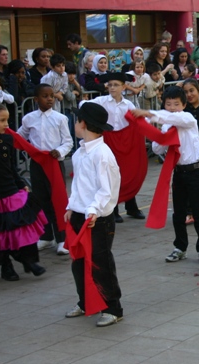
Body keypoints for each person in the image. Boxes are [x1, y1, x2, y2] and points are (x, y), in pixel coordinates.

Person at [0, 103, 47, 281]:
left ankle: (29, 260)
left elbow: (11, 166)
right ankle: (6, 265)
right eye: (2, 120)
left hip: (10, 189)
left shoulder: (7, 140)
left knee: (20, 225)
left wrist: (20, 182)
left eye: (7, 120)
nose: (6, 124)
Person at [133, 86, 199, 263]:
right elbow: (157, 147)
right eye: (169, 104)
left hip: (195, 171)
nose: (173, 107)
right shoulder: (167, 124)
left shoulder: (188, 118)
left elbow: (175, 118)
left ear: (183, 105)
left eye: (176, 104)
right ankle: (180, 247)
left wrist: (148, 113)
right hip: (179, 172)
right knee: (178, 212)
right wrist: (163, 136)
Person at [64, 101, 123, 327]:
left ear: (84, 123)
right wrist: (72, 206)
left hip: (98, 218)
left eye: (77, 120)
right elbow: (79, 185)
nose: (75, 123)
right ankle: (85, 301)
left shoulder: (102, 154)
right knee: (78, 261)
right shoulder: (80, 153)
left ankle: (113, 307)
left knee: (101, 261)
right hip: (81, 214)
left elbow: (106, 189)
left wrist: (93, 211)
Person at [18, 84, 73, 255]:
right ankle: (46, 236)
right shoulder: (29, 119)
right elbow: (21, 136)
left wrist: (60, 151)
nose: (49, 99)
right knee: (40, 200)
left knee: (57, 200)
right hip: (37, 164)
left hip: (54, 163)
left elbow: (68, 142)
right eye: (45, 96)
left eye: (51, 96)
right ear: (36, 99)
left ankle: (63, 238)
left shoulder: (60, 118)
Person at [84, 72, 144, 222]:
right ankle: (113, 209)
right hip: (109, 140)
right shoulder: (102, 101)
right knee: (111, 174)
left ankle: (131, 206)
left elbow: (137, 120)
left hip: (124, 140)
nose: (112, 88)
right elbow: (84, 105)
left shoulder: (128, 104)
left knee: (127, 172)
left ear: (123, 87)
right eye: (110, 85)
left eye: (116, 85)